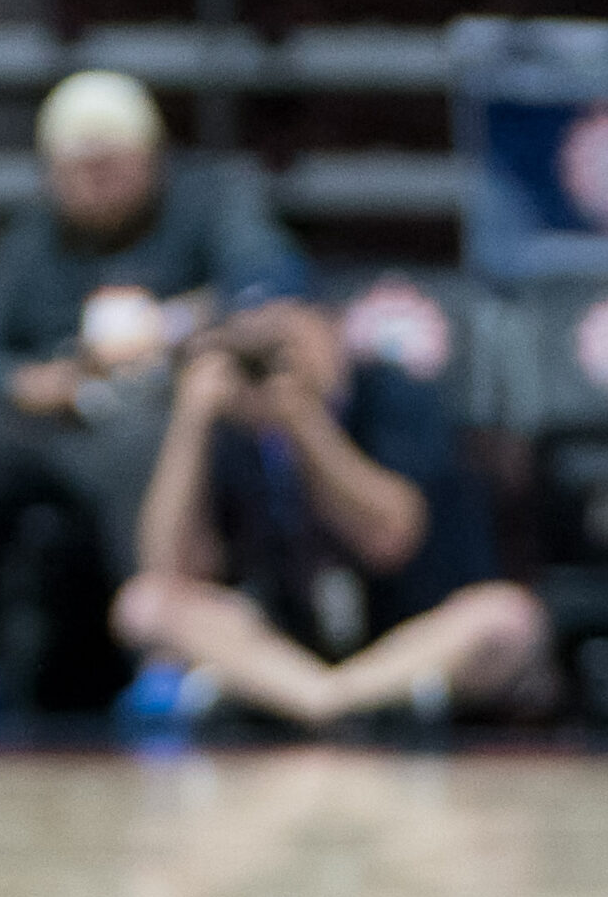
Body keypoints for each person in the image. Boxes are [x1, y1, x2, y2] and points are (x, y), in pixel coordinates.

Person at [0, 68, 307, 728]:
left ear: (151, 157)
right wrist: (33, 384)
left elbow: (271, 290)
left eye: (111, 165)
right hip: (63, 415)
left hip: (169, 407)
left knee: (152, 448)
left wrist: (171, 330)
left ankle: (170, 656)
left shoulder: (210, 203)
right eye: (76, 169)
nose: (95, 183)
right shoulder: (38, 234)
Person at [112, 299, 552, 730]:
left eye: (286, 341)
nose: (274, 365)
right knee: (144, 605)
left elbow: (391, 537)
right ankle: (328, 700)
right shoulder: (229, 418)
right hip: (276, 646)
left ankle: (326, 700)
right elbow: (167, 566)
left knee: (508, 617)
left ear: (332, 327)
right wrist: (190, 421)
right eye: (257, 350)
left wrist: (305, 422)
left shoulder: (392, 394)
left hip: (403, 635)